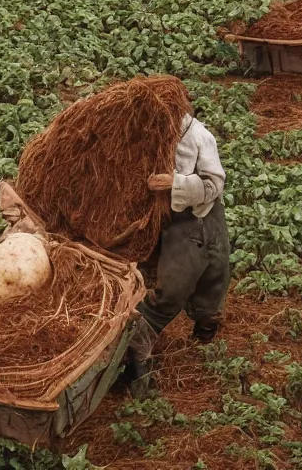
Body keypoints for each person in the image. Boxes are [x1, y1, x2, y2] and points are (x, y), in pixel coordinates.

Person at [126, 105, 230, 397]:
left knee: (215, 272)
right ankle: (135, 358)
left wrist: (176, 183)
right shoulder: (147, 135)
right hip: (169, 219)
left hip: (201, 215)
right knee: (171, 288)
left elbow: (213, 184)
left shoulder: (198, 135)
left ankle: (205, 326)